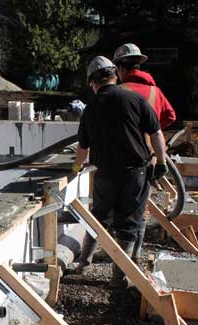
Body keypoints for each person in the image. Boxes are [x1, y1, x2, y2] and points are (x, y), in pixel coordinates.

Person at [71, 56, 168, 288]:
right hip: (135, 173)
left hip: (105, 173)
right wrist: (162, 161)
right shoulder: (134, 99)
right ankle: (119, 278)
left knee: (99, 217)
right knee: (129, 223)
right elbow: (156, 133)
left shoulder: (91, 108)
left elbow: (83, 148)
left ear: (93, 82)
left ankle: (84, 262)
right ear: (115, 75)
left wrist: (75, 169)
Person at [114, 43, 177, 263]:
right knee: (139, 209)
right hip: (147, 158)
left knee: (114, 208)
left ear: (121, 68)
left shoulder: (118, 92)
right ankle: (134, 255)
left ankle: (116, 254)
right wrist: (152, 130)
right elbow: (170, 116)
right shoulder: (155, 91)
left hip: (117, 159)